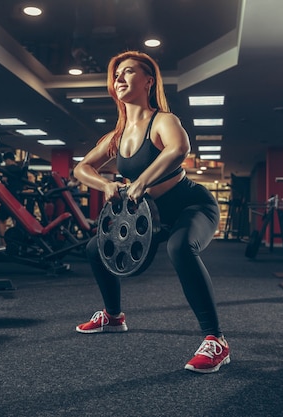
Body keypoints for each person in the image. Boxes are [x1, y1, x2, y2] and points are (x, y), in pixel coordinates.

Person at [73, 51, 230, 374]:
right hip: (151, 215)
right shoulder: (116, 136)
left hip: (191, 206)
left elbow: (178, 149)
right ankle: (114, 317)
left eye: (128, 72)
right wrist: (103, 184)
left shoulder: (163, 121)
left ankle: (216, 340)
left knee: (179, 247)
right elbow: (81, 168)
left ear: (148, 81)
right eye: (116, 74)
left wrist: (141, 181)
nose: (120, 78)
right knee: (93, 249)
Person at [0, 151, 29, 236]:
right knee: (17, 221)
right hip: (18, 199)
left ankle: (3, 243)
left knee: (0, 220)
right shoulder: (21, 170)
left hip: (8, 198)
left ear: (7, 159)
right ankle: (17, 242)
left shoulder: (7, 169)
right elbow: (25, 185)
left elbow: (4, 180)